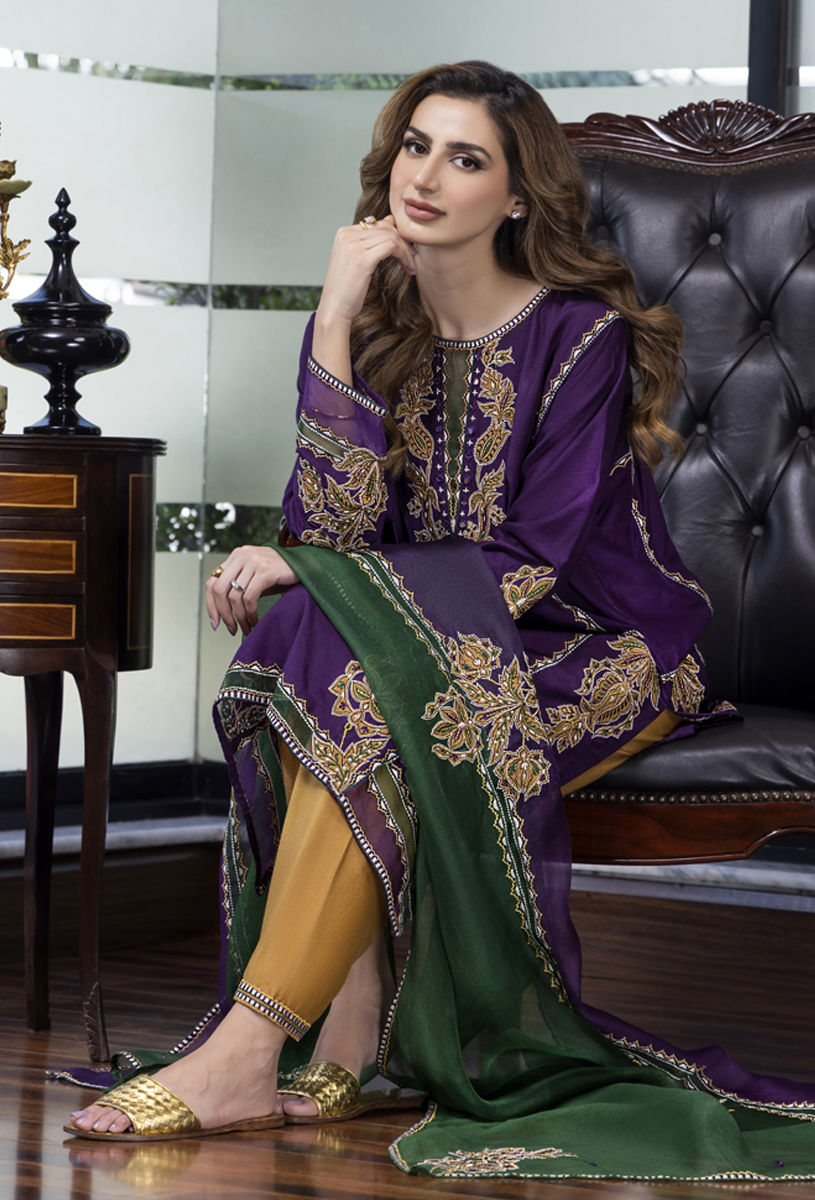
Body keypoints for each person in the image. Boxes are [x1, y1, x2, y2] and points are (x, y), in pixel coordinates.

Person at [64, 62, 815, 1180]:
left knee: (346, 647)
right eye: (416, 145)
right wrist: (332, 318)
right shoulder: (373, 328)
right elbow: (336, 530)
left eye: (466, 158)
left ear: (515, 196)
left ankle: (256, 1049)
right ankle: (346, 1028)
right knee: (309, 639)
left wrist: (311, 573)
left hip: (597, 645)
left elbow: (530, 562)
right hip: (434, 640)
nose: (425, 175)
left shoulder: (581, 338)